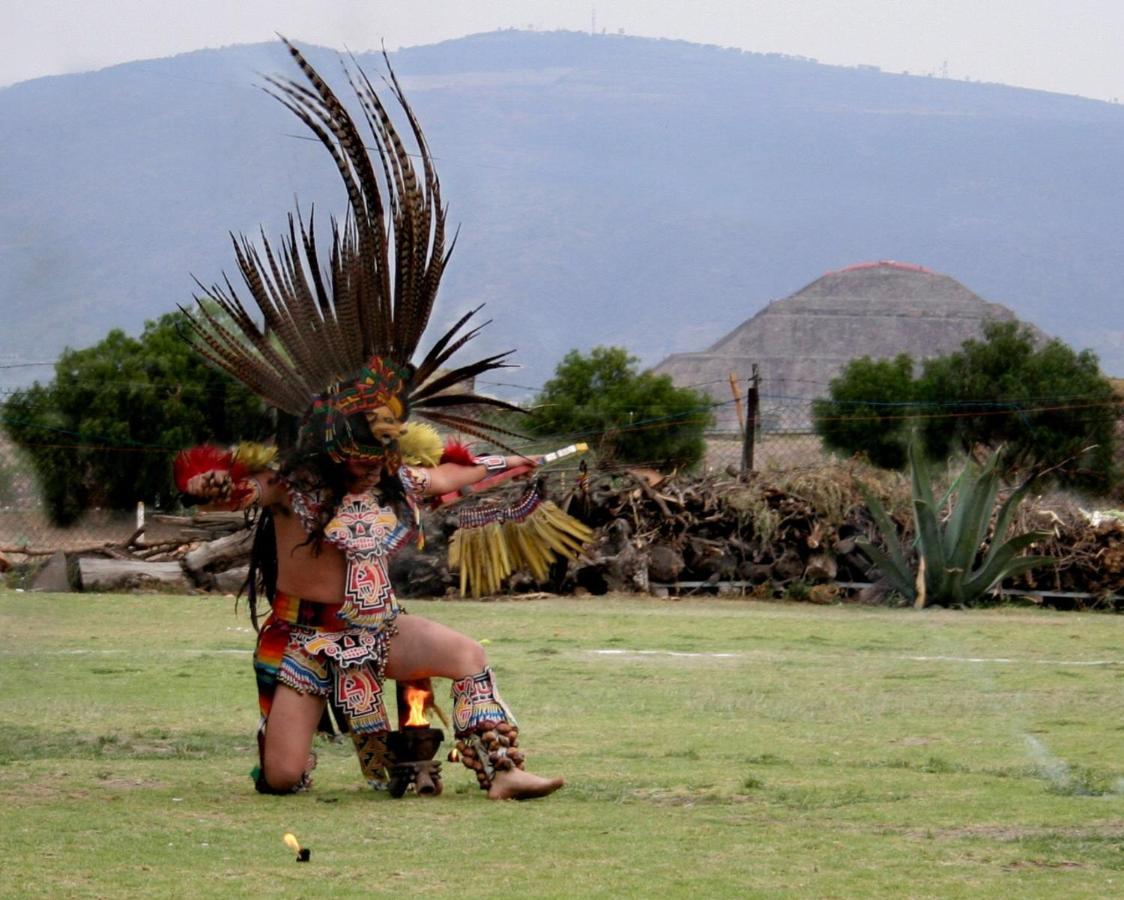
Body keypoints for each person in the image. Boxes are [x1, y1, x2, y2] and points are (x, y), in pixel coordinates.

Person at [173, 41, 579, 800]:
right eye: (354, 452)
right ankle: (287, 746)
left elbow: (460, 471)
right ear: (331, 443)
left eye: (376, 451)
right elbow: (218, 487)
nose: (365, 463)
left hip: (380, 631)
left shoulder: (400, 481)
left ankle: (501, 771)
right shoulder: (292, 490)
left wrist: (510, 465)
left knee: (465, 651)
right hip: (302, 640)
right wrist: (216, 481)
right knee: (283, 780)